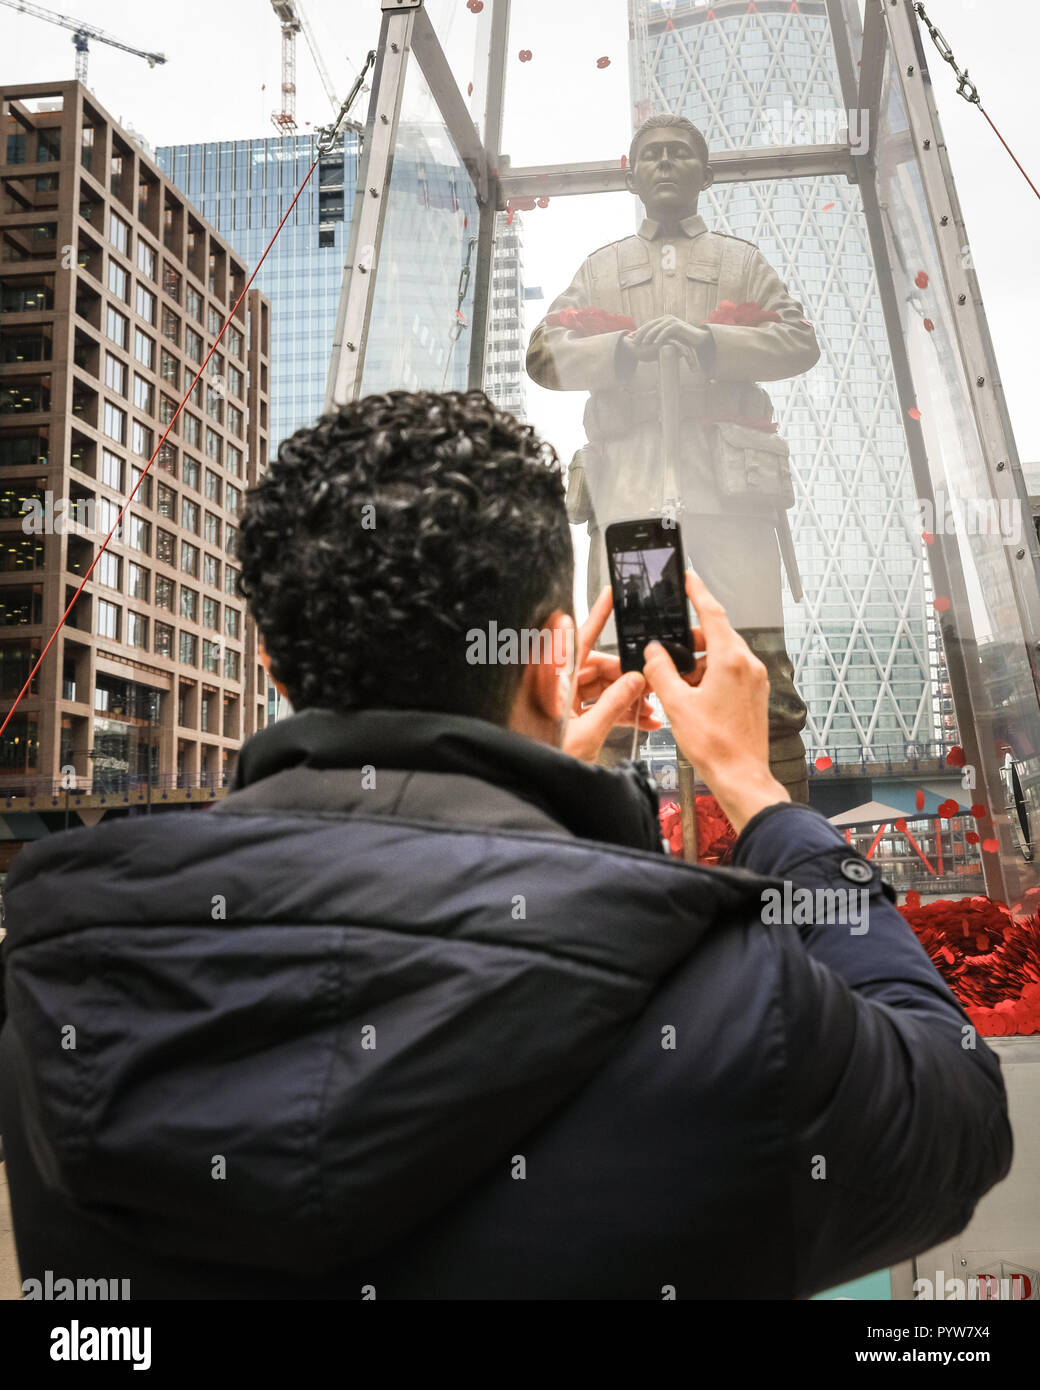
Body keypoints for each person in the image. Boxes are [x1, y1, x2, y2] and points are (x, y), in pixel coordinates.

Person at [0, 392, 1011, 1300]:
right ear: (552, 659)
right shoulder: (728, 1001)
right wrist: (751, 788)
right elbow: (954, 1115)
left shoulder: (59, 990)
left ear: (270, 661)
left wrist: (535, 801)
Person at [528, 113, 819, 801]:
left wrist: (708, 341)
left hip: (729, 500)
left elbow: (798, 340)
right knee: (623, 673)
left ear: (705, 173)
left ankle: (780, 841)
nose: (665, 163)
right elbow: (544, 355)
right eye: (651, 154)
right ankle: (606, 849)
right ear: (631, 172)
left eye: (681, 154)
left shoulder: (741, 263)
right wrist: (621, 353)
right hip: (634, 500)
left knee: (758, 667)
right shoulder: (601, 269)